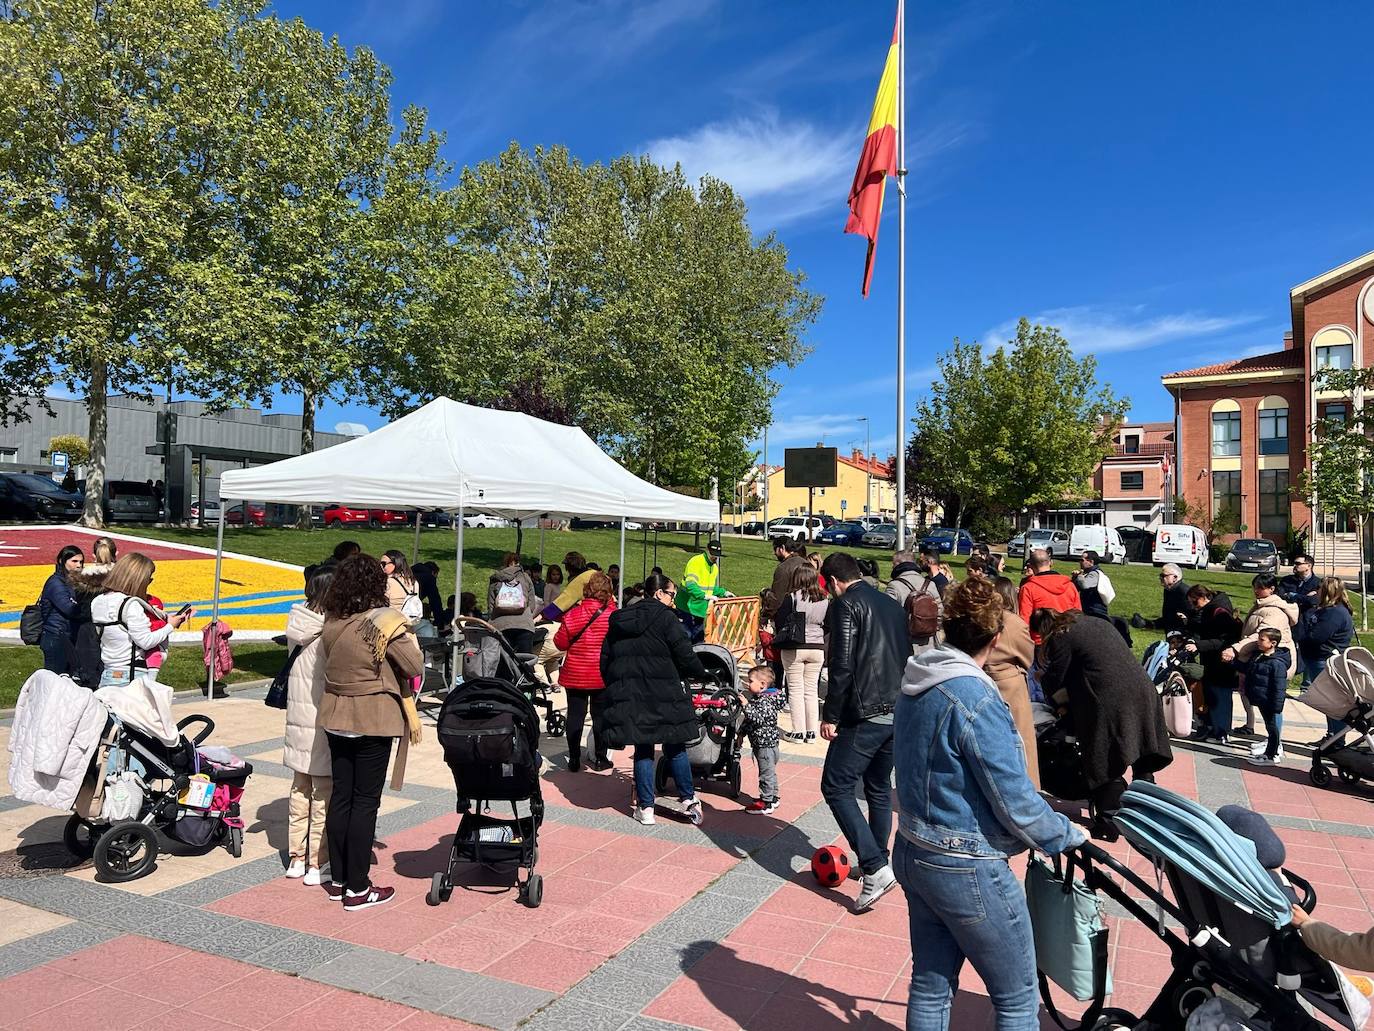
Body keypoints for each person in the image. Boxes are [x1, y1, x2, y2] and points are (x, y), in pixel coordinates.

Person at [896, 578, 1087, 1031]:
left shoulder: (917, 677)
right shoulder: (977, 698)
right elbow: (1014, 799)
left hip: (913, 847)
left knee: (930, 982)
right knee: (1017, 997)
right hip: (966, 862)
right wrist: (1065, 833)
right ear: (996, 636)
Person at [319, 554, 423, 911]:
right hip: (372, 717)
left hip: (335, 713)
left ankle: (338, 879)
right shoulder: (383, 621)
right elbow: (414, 664)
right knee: (365, 803)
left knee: (341, 798)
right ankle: (358, 888)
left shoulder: (332, 620)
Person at [818, 552, 911, 912]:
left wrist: (832, 715)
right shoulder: (889, 603)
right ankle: (879, 856)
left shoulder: (845, 605)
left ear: (831, 581)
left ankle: (874, 867)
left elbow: (841, 664)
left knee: (836, 785)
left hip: (865, 711)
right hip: (895, 707)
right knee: (876, 787)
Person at [1034, 609, 1174, 839]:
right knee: (1143, 754)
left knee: (1103, 757)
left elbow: (1056, 677)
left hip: (1110, 698)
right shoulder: (1097, 622)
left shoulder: (1061, 635)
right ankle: (1147, 811)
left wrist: (1048, 688)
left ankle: (1109, 820)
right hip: (1141, 688)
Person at [601, 573, 710, 826]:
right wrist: (700, 672)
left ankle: (646, 807)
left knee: (643, 747)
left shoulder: (619, 619)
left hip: (631, 692)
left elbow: (606, 657)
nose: (674, 600)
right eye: (671, 594)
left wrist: (615, 684)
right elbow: (684, 653)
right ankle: (688, 798)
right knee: (675, 745)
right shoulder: (667, 619)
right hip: (665, 692)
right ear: (658, 593)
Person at [283, 564, 335, 885]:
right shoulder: (331, 629)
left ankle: (295, 858)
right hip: (322, 717)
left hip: (297, 717)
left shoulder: (296, 619)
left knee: (299, 789)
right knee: (323, 794)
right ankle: (316, 862)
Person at [89, 553, 194, 686]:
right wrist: (170, 626)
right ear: (138, 579)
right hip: (132, 675)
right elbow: (146, 642)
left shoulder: (97, 601)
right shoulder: (131, 605)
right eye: (148, 579)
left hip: (108, 673)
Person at [552, 571, 616, 772]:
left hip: (575, 673)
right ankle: (600, 757)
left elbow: (560, 643)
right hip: (601, 673)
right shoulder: (613, 616)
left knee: (575, 715)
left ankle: (573, 758)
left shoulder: (573, 614)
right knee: (600, 717)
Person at [1224, 573, 1298, 736]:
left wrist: (1235, 649)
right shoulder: (1261, 605)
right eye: (1255, 586)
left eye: (1260, 587)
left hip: (1271, 662)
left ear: (1272, 589)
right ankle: (1252, 725)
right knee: (1247, 693)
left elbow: (1259, 636)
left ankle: (1275, 741)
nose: (1256, 590)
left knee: (1271, 705)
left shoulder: (1274, 611)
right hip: (1256, 661)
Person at [985, 576, 1039, 790]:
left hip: (986, 681)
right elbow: (1028, 656)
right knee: (1020, 744)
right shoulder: (1013, 623)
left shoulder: (982, 618)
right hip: (1010, 685)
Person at [773, 562, 829, 743]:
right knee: (811, 690)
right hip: (817, 647)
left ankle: (798, 731)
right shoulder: (824, 599)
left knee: (796, 690)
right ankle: (811, 732)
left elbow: (781, 620)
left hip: (795, 646)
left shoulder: (792, 597)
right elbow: (828, 624)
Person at [1295, 577, 1355, 736]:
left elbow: (1317, 636)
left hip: (1324, 660)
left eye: (1319, 588)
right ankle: (1331, 736)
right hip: (1316, 659)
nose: (1316, 591)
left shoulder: (1335, 613)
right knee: (1326, 702)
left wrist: (1302, 638)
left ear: (1327, 591)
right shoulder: (1328, 610)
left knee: (1331, 702)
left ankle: (1337, 740)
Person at [1186, 584, 1242, 743]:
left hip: (1221, 662)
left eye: (1195, 602)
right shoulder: (1212, 609)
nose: (1193, 606)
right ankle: (1219, 730)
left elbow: (1224, 639)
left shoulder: (1218, 612)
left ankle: (1221, 733)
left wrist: (1199, 645)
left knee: (1220, 697)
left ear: (1205, 598)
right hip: (1214, 661)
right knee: (1215, 695)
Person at [1239, 628, 1290, 766]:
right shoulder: (1259, 656)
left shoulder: (1277, 663)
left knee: (1273, 728)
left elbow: (1279, 687)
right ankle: (1269, 753)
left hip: (1269, 702)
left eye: (1262, 639)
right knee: (1270, 727)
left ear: (1273, 643)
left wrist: (1277, 706)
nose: (1258, 642)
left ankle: (1271, 755)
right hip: (1262, 699)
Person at [739, 666, 783, 814]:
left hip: (765, 744)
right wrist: (741, 733)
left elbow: (757, 719)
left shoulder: (765, 702)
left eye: (751, 681)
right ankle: (774, 797)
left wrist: (746, 706)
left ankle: (766, 802)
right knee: (770, 771)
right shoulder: (761, 699)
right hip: (765, 742)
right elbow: (749, 721)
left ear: (763, 684)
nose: (748, 684)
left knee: (766, 774)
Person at [38, 545, 84, 673]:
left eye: (81, 562)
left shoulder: (72, 581)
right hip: (56, 636)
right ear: (61, 561)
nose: (79, 565)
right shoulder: (56, 583)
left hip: (67, 635)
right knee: (55, 680)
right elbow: (69, 609)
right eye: (74, 561)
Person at [887, 549, 942, 655]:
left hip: (904, 644)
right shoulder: (930, 584)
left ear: (898, 564)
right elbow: (940, 612)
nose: (892, 567)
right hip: (930, 643)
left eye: (893, 564)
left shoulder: (894, 586)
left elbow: (888, 618)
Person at [1017, 548, 1080, 634]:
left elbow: (1024, 619)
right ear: (1051, 563)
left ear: (1030, 566)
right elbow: (1078, 614)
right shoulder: (1070, 586)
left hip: (1041, 639)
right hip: (1067, 636)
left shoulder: (1028, 588)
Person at [487, 551, 539, 654]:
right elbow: (532, 605)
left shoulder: (496, 579)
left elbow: (491, 606)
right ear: (518, 563)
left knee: (503, 663)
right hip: (524, 625)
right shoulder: (525, 577)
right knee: (524, 662)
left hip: (501, 626)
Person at [678, 539, 727, 641]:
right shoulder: (696, 562)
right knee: (686, 637)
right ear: (707, 550)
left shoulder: (714, 568)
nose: (715, 557)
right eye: (713, 554)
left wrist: (723, 592)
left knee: (698, 639)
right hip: (686, 606)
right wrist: (705, 596)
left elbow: (708, 588)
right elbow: (690, 585)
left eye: (717, 555)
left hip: (699, 609)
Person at [1133, 563, 1192, 631]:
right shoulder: (1168, 590)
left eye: (1163, 575)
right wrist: (1148, 624)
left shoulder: (1185, 592)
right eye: (1160, 575)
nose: (1160, 578)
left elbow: (1188, 620)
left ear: (1175, 578)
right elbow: (1168, 618)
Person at [1072, 550, 1115, 618]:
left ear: (1091, 562)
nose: (1079, 562)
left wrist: (1079, 575)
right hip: (1088, 609)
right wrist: (1075, 578)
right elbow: (1075, 588)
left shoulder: (1095, 574)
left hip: (1095, 612)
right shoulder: (1087, 573)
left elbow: (1084, 585)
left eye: (1082, 560)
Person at [768, 539, 808, 611]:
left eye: (775, 549)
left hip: (788, 613)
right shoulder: (807, 564)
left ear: (782, 548)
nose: (774, 553)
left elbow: (777, 597)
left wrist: (765, 616)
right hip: (809, 610)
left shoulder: (783, 568)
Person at [380, 551, 420, 621]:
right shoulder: (414, 582)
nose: (381, 567)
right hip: (409, 626)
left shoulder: (388, 582)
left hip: (390, 624)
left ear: (395, 563)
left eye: (383, 564)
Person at [412, 561, 447, 629]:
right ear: (433, 572)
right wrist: (439, 622)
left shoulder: (409, 572)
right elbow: (435, 601)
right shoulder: (429, 578)